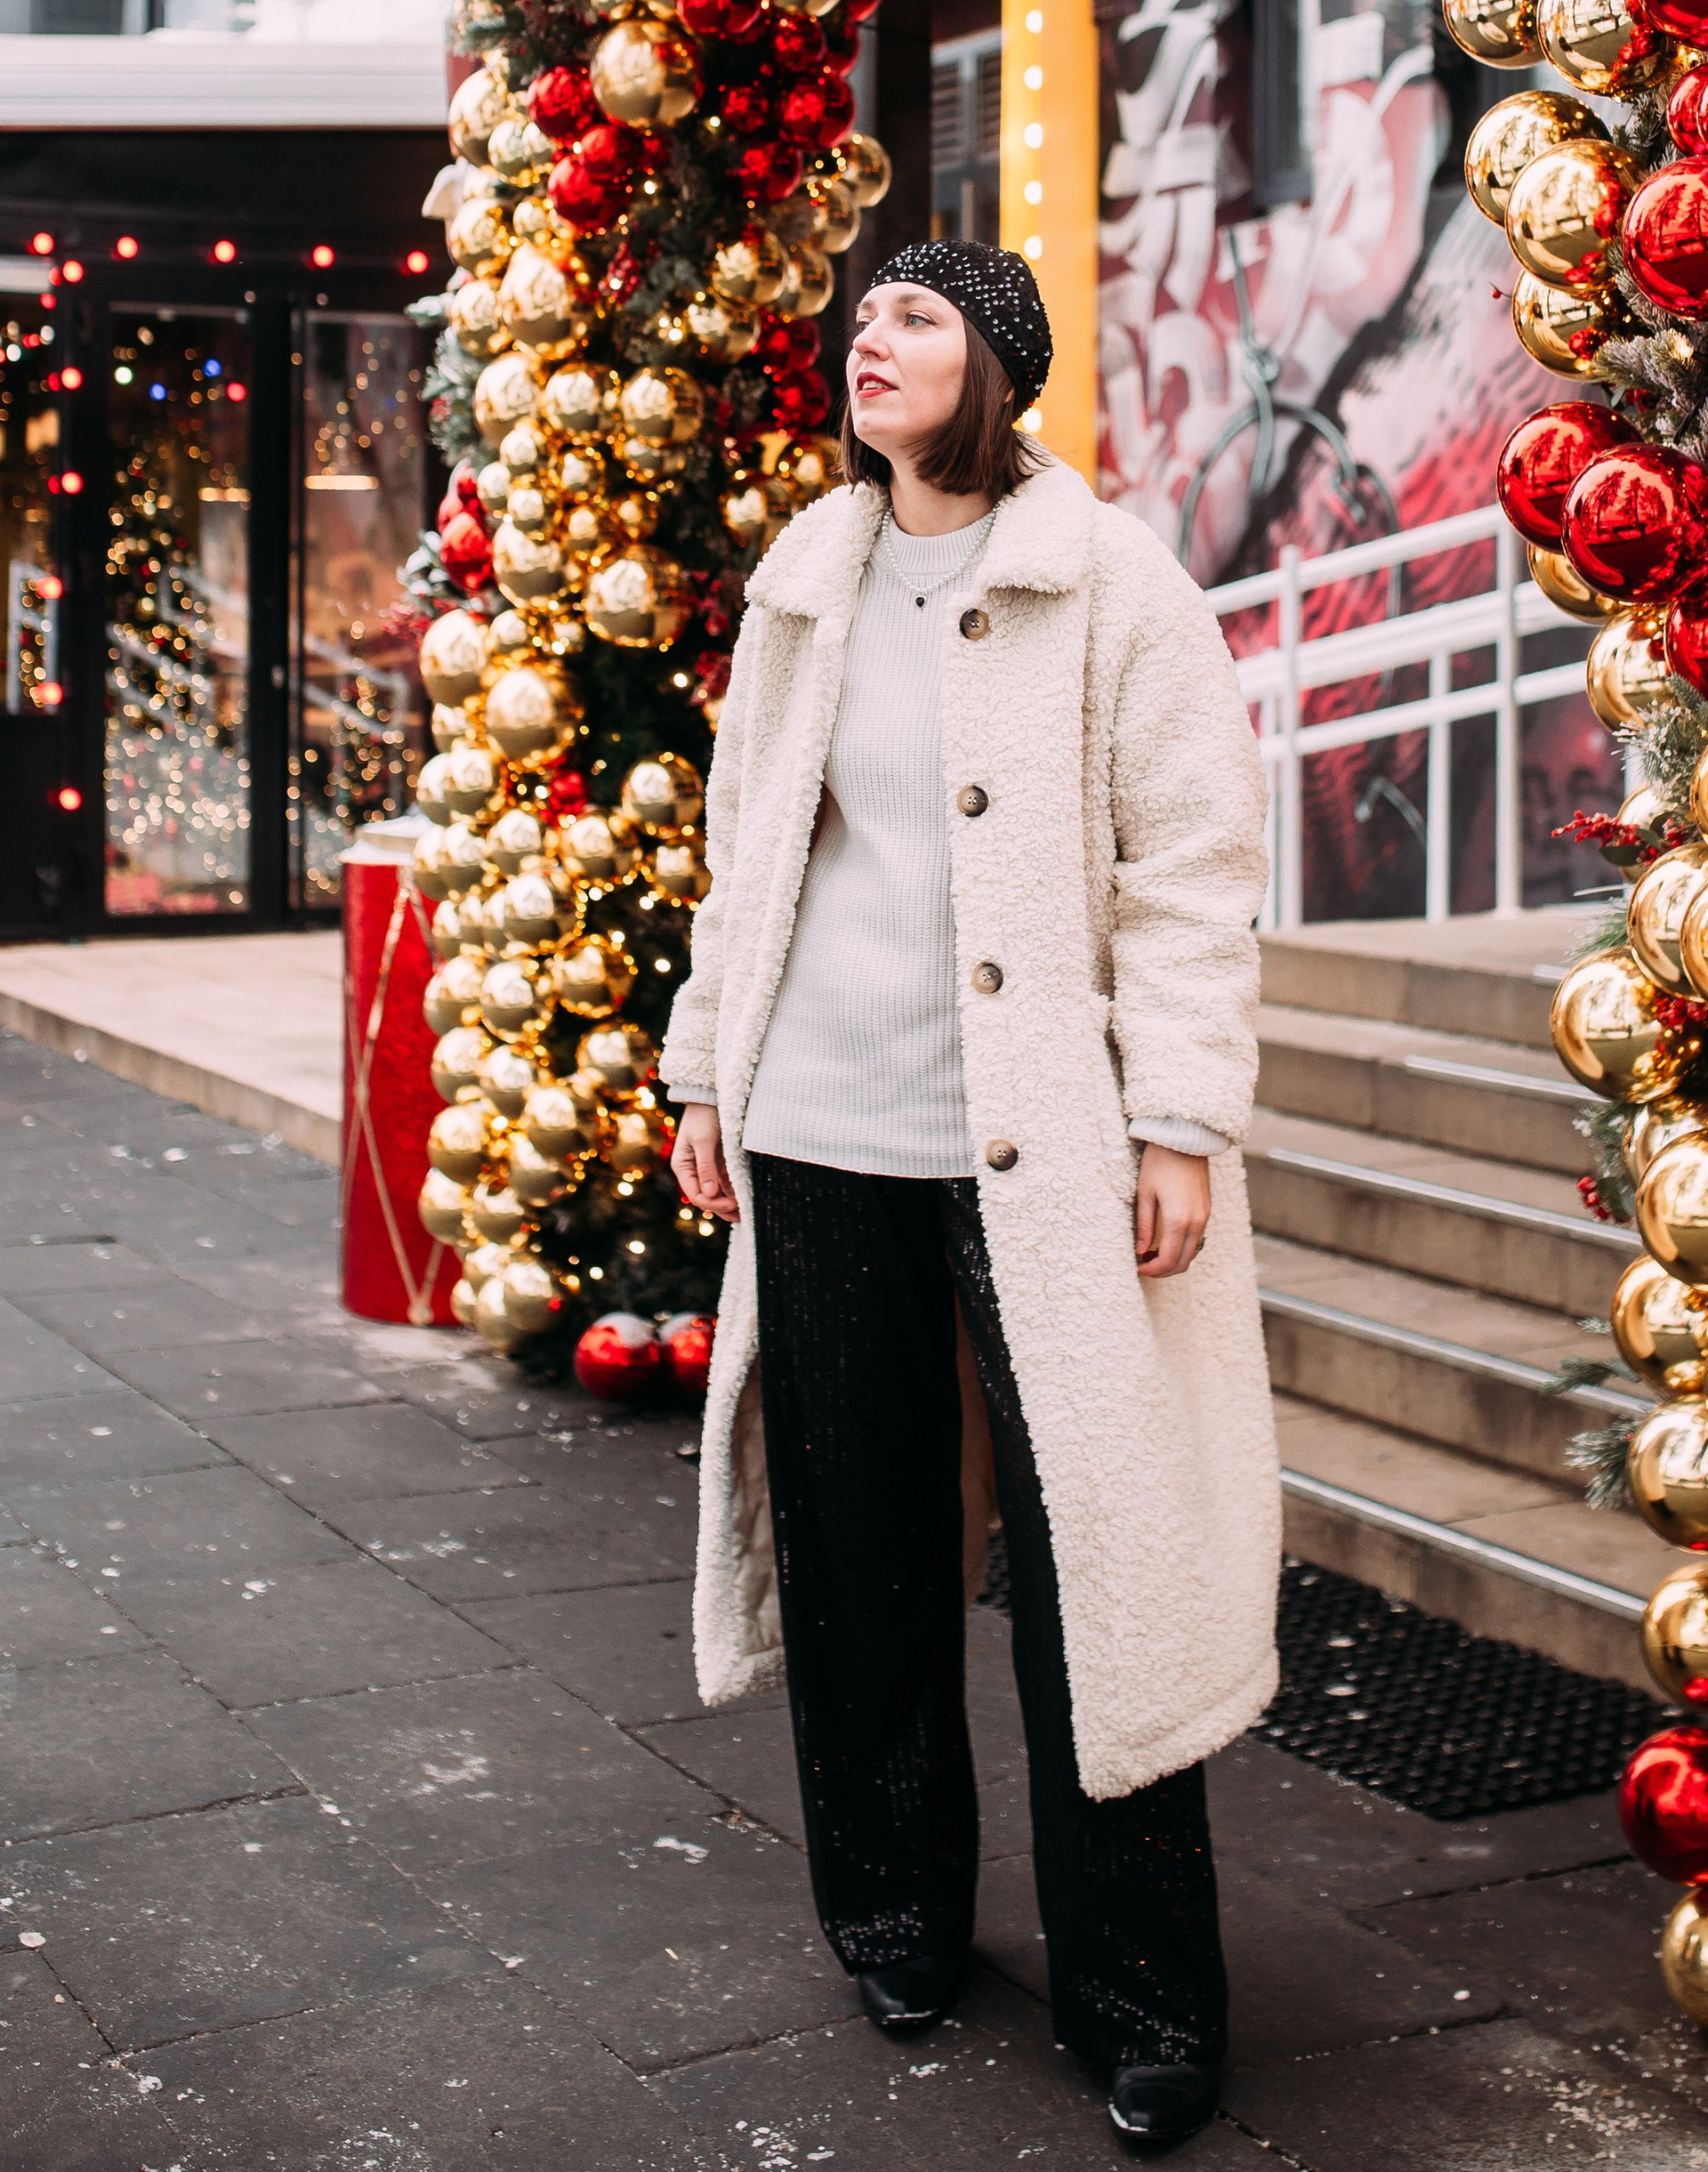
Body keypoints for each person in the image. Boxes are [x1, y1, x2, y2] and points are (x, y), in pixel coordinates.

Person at [663, 237, 1278, 2157]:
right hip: (819, 1121)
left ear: (996, 361)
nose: (872, 340)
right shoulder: (806, 579)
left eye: (914, 317)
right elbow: (744, 854)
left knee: (1092, 1558)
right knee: (859, 1556)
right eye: (863, 322)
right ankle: (895, 1915)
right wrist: (707, 1066)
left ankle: (1143, 1995)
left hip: (1047, 1144)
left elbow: (1187, 866)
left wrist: (1176, 1116)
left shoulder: (1112, 585)